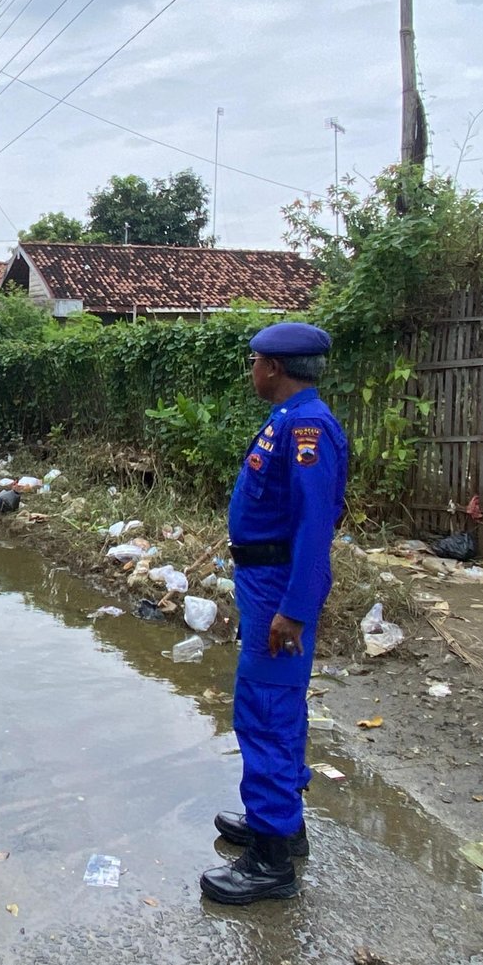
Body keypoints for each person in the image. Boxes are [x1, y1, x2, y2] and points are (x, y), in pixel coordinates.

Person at [201, 321, 348, 905]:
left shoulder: (307, 427)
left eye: (255, 361)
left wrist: (293, 608)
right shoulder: (289, 420)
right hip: (263, 579)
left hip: (278, 585)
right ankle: (281, 824)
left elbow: (316, 526)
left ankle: (270, 862)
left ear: (275, 368)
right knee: (275, 705)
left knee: (265, 711)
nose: (251, 370)